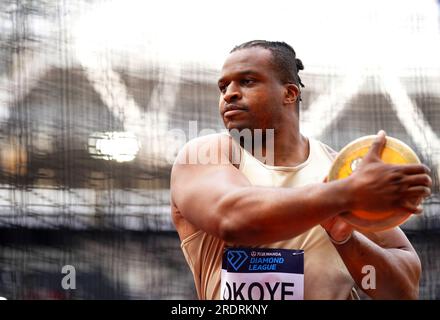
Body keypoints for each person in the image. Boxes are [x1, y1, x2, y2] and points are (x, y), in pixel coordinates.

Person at [170, 40, 432, 300]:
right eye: (223, 86)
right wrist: (342, 194)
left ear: (290, 93)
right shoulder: (203, 155)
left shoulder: (339, 168)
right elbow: (232, 219)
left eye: (247, 81)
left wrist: (345, 239)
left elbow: (402, 292)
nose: (229, 93)